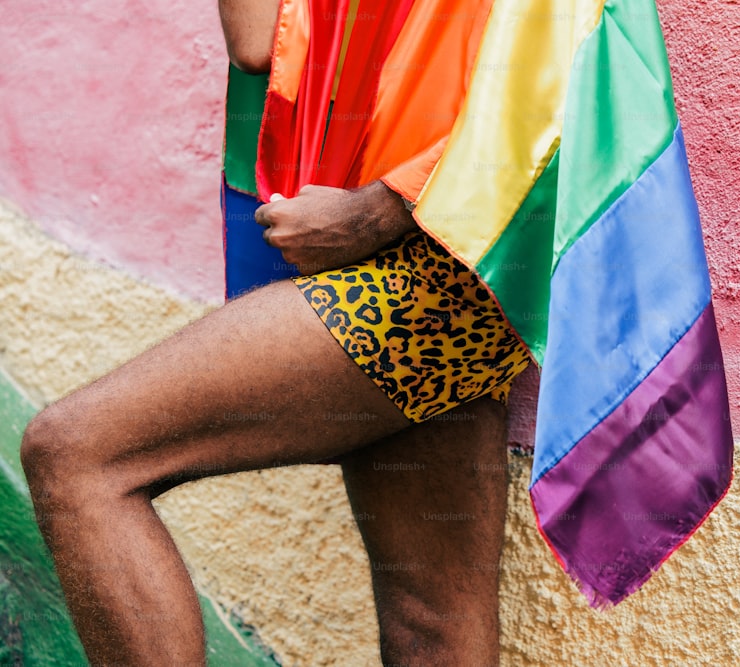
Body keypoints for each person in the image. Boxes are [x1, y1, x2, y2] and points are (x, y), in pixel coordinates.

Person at [18, 0, 531, 664]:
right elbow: (260, 39)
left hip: (435, 254)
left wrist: (385, 207)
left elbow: (566, 75)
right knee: (429, 618)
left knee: (75, 455)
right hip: (437, 251)